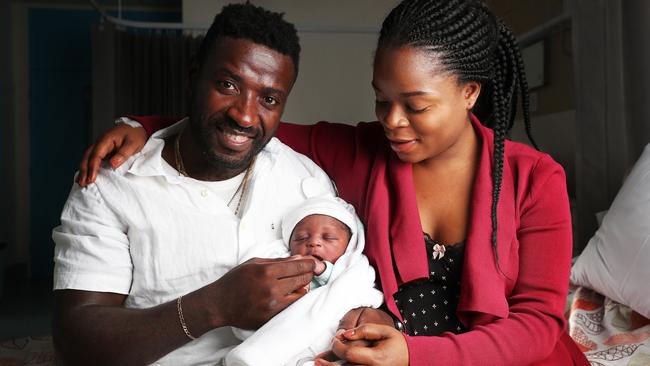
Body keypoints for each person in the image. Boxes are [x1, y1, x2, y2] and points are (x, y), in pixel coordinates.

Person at [78, 0, 590, 364]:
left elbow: (538, 326)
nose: (392, 121)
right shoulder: (361, 152)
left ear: (470, 93)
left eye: (415, 105)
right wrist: (141, 125)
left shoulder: (535, 179)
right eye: (381, 100)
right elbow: (246, 122)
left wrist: (414, 355)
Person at [50, 3, 355, 366]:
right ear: (193, 76)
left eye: (268, 99)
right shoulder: (112, 183)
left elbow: (342, 291)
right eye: (228, 84)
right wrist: (214, 306)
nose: (244, 114)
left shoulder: (306, 181)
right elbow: (75, 339)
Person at [226, 195, 383, 366]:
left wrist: (322, 270)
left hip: (327, 335)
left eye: (328, 237)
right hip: (285, 335)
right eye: (301, 238)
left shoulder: (350, 271)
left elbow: (356, 292)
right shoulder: (283, 262)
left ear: (349, 244)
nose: (314, 243)